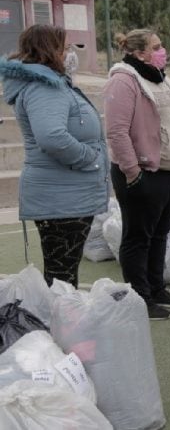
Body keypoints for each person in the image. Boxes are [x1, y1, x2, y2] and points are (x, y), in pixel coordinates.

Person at [0, 25, 108, 287]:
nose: (70, 53)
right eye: (66, 47)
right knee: (62, 279)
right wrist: (90, 158)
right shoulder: (45, 87)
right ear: (51, 50)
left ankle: (61, 323)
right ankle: (60, 326)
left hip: (65, 194)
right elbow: (52, 137)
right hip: (62, 197)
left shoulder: (48, 83)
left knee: (62, 278)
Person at [103, 29, 170, 321]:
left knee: (160, 233)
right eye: (157, 46)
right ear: (140, 53)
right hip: (143, 173)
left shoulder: (162, 77)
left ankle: (156, 287)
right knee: (138, 237)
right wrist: (132, 172)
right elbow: (117, 131)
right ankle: (140, 297)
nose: (162, 50)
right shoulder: (124, 80)